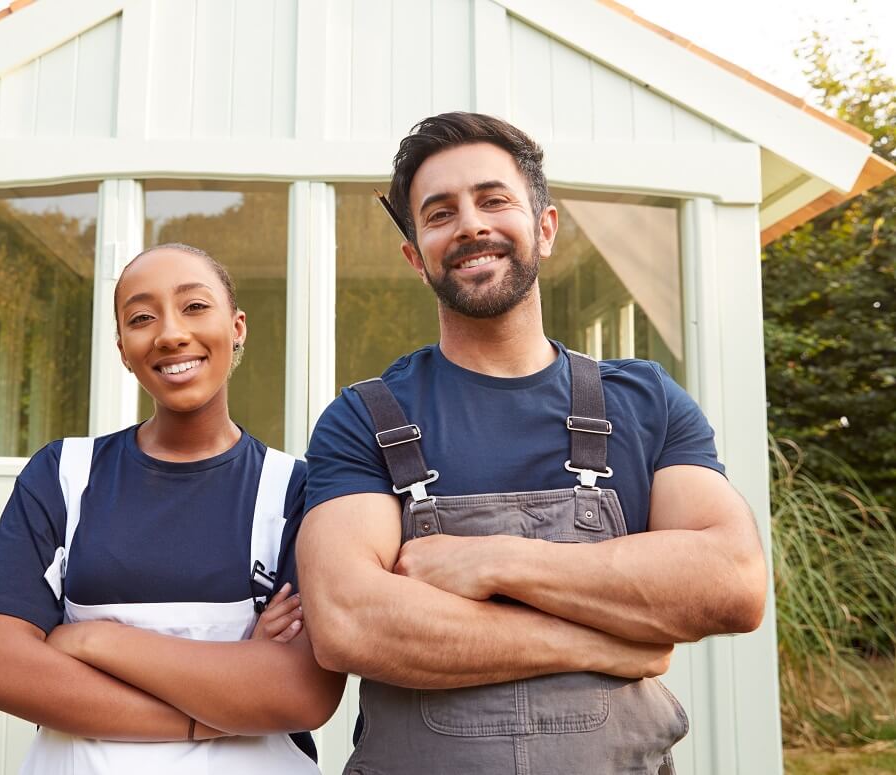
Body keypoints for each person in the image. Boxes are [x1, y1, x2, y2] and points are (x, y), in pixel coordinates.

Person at [297, 112, 768, 774]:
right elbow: (347, 618)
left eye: (493, 200)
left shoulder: (643, 401)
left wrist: (495, 561)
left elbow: (733, 581)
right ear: (415, 256)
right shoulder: (363, 418)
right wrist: (599, 642)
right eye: (439, 213)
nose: (470, 225)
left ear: (545, 228)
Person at [0, 243, 344, 774]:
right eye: (141, 318)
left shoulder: (293, 491)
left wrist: (94, 639)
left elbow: (301, 693)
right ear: (122, 348)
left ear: (237, 327)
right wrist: (214, 707)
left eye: (194, 307)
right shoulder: (64, 474)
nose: (170, 333)